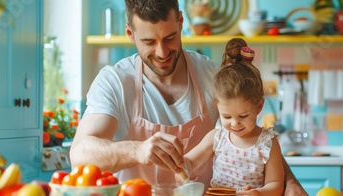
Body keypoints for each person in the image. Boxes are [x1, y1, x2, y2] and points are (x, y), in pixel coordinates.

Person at [69, 0, 308, 195]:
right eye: (149, 42)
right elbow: (80, 156)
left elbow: (255, 138)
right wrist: (138, 150)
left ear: (181, 21)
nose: (162, 52)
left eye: (170, 37)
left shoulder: (212, 76)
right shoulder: (115, 82)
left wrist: (290, 181)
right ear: (130, 33)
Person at [176, 38, 284, 195]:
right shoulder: (217, 137)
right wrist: (181, 169)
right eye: (226, 116)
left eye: (243, 116)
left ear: (259, 106)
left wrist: (259, 193)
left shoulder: (268, 143)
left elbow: (276, 184)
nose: (235, 123)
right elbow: (190, 161)